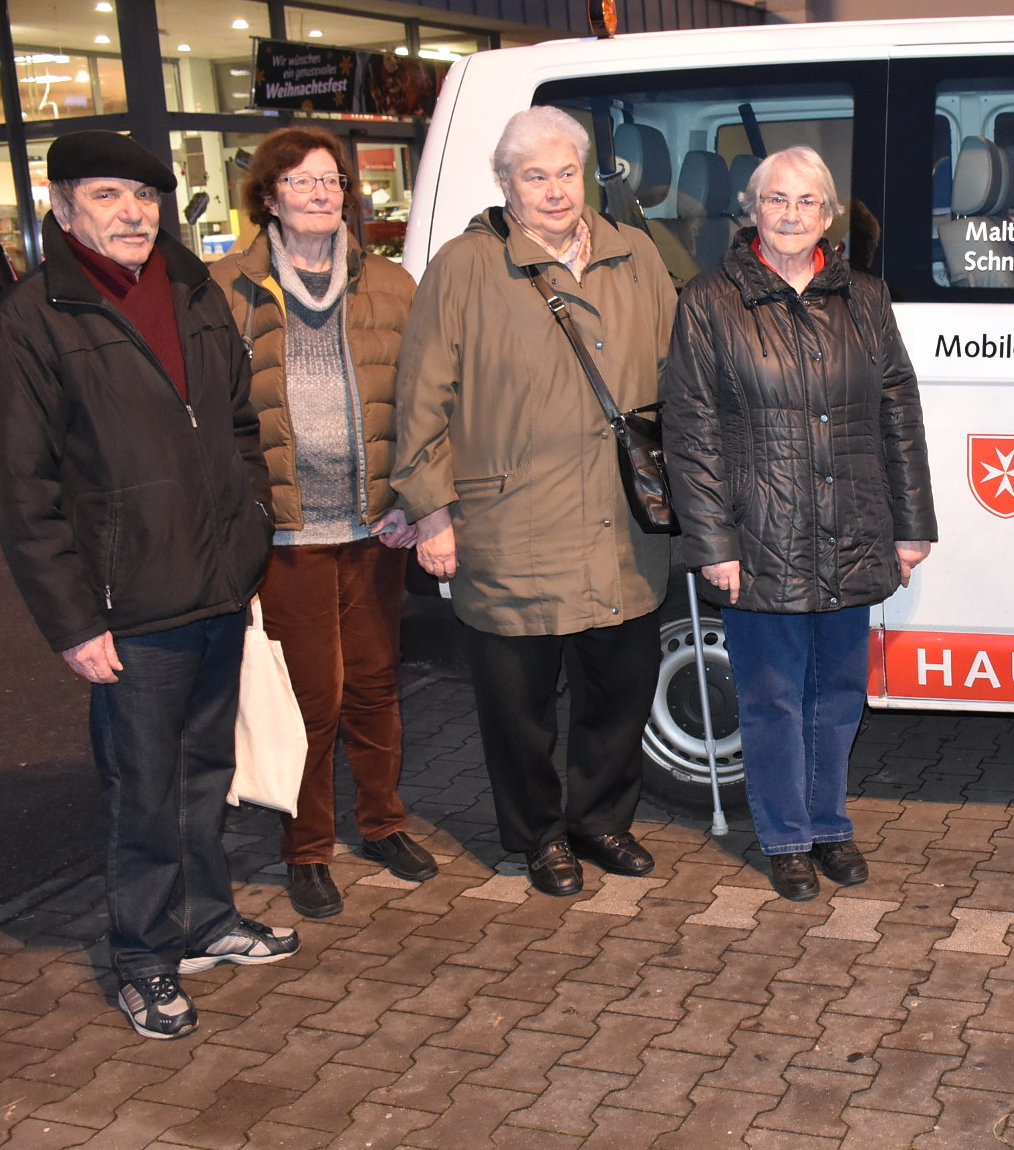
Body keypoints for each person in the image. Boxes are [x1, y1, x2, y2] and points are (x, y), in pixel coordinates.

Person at [0, 131, 298, 1039]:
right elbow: (22, 493)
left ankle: (205, 922)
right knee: (144, 792)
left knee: (206, 774)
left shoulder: (192, 289)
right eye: (108, 195)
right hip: (129, 608)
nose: (132, 213)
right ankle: (144, 958)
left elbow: (237, 422)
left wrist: (250, 527)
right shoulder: (27, 323)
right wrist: (73, 621)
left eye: (145, 197)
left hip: (216, 584)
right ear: (63, 205)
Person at [394, 107, 677, 898]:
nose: (555, 191)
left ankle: (600, 819)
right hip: (511, 526)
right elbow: (421, 395)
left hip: (621, 525)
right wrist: (431, 512)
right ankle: (537, 835)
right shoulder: (466, 266)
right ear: (505, 183)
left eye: (566, 173)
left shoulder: (635, 255)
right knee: (519, 707)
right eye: (534, 176)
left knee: (618, 690)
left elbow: (678, 373)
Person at [664, 146, 936, 903]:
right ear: (753, 209)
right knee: (773, 695)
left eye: (807, 201)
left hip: (853, 525)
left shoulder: (866, 297)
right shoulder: (709, 299)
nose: (791, 214)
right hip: (760, 534)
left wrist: (911, 524)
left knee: (840, 691)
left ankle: (829, 824)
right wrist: (712, 542)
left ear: (829, 213)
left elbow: (899, 413)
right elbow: (692, 431)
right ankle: (785, 837)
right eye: (776, 200)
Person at [211, 128, 434, 921]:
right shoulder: (227, 288)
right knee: (312, 696)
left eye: (332, 179)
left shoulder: (391, 284)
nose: (321, 192)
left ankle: (383, 822)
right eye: (301, 180)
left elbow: (422, 401)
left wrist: (415, 498)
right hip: (285, 533)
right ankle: (307, 848)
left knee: (375, 685)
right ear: (269, 195)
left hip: (375, 527)